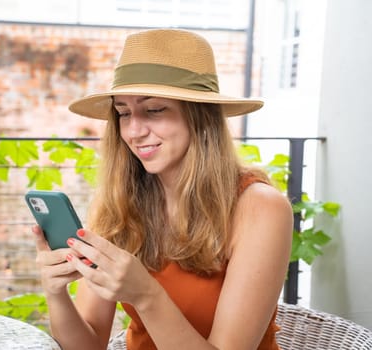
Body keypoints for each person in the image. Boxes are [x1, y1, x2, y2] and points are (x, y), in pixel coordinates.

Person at [32, 29, 293, 350]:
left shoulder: (261, 208)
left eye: (154, 110)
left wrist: (146, 295)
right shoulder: (120, 204)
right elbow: (87, 344)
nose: (134, 130)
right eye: (123, 113)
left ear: (200, 117)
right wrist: (55, 291)